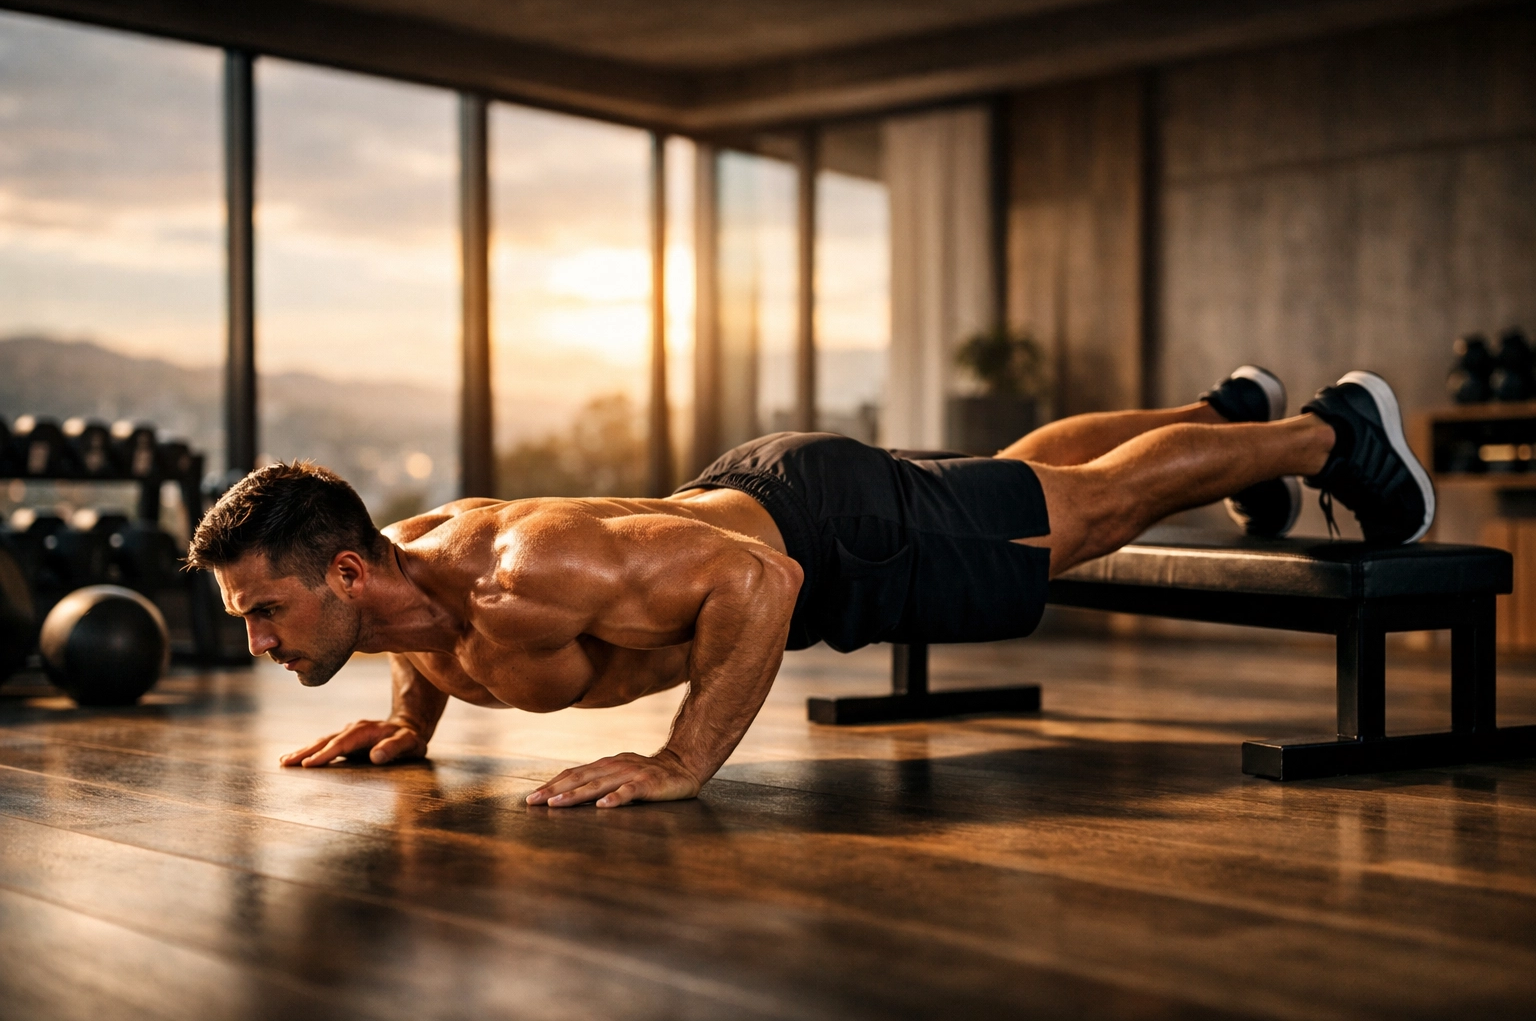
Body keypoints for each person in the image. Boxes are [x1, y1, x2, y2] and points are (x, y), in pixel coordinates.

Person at [189, 368, 1434, 808]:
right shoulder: (402, 575)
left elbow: (761, 580)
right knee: (1021, 484)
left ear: (344, 569)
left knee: (1084, 515)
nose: (256, 640)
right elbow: (429, 632)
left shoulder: (526, 571)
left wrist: (680, 761)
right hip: (771, 488)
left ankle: (1327, 434)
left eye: (263, 611)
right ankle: (1226, 416)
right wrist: (411, 725)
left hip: (822, 535)